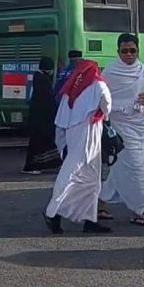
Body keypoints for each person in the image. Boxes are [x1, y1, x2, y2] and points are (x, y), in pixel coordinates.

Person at [44, 59, 113, 234]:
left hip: (72, 135)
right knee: (78, 173)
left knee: (88, 177)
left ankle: (89, 219)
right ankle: (53, 212)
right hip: (90, 133)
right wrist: (103, 114)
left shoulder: (70, 90)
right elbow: (107, 103)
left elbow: (60, 120)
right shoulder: (98, 85)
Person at [99, 34, 144, 226]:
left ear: (138, 51)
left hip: (140, 124)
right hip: (120, 127)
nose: (129, 54)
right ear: (118, 52)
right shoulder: (110, 72)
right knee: (137, 167)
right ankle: (139, 210)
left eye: (133, 50)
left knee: (120, 169)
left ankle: (100, 204)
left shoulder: (142, 69)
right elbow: (103, 99)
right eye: (125, 51)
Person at [23, 57, 62, 175]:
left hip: (38, 117)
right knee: (38, 143)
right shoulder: (43, 80)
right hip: (41, 119)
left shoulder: (38, 78)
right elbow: (47, 100)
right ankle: (33, 166)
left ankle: (35, 166)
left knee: (38, 143)